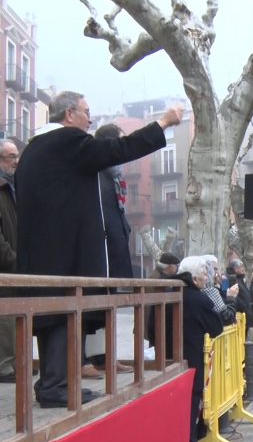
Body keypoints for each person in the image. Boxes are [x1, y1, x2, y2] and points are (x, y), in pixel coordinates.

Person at [15, 90, 183, 407]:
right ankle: (55, 387)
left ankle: (55, 383)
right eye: (86, 111)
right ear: (69, 115)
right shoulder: (66, 143)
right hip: (64, 255)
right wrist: (163, 123)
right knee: (63, 316)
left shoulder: (36, 149)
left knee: (55, 320)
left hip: (43, 253)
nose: (90, 118)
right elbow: (118, 148)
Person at [84, 123, 135, 374]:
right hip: (99, 256)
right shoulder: (95, 175)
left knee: (108, 309)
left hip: (112, 253)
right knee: (89, 311)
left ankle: (106, 358)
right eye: (120, 143)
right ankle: (86, 361)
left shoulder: (113, 178)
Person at [175, 256, 224, 442]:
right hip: (193, 357)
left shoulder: (170, 293)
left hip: (169, 357)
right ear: (194, 279)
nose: (207, 278)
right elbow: (216, 327)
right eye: (204, 274)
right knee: (192, 402)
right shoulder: (200, 298)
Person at [0, 140, 18, 383]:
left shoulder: (12, 188)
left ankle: (13, 365)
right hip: (5, 267)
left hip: (13, 266)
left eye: (16, 156)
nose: (15, 161)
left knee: (13, 317)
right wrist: (13, 259)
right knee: (5, 318)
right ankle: (5, 368)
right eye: (10, 157)